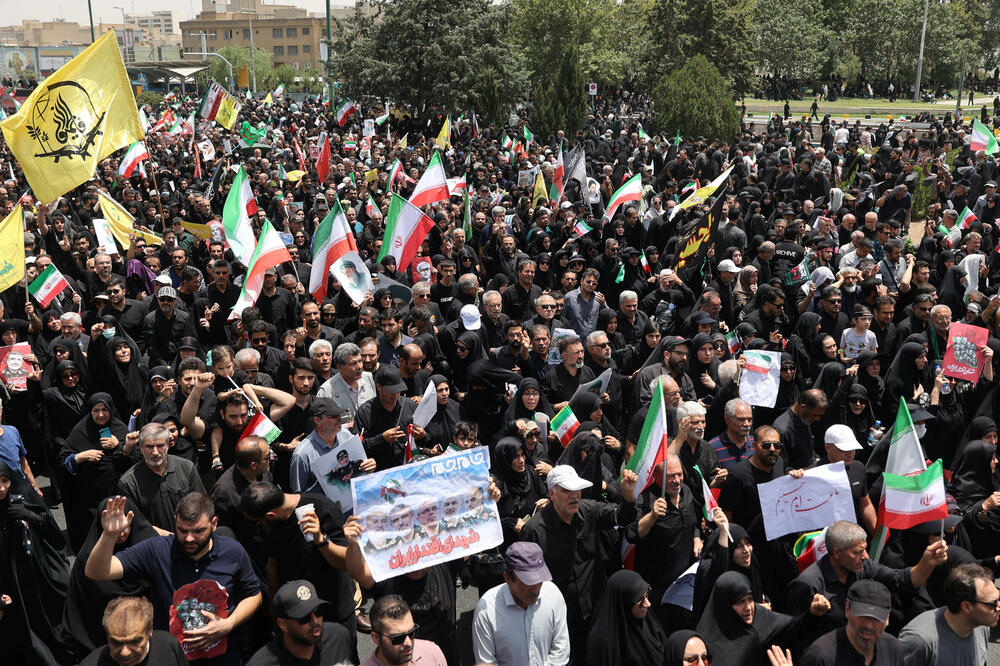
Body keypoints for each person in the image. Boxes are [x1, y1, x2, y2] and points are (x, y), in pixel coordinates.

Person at [84, 494, 263, 665]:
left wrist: (228, 624)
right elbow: (96, 572)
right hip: (172, 657)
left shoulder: (233, 552)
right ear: (175, 520)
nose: (189, 538)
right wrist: (109, 535)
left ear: (214, 523)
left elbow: (253, 595)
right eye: (182, 530)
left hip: (224, 656)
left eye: (198, 531)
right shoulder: (156, 550)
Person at [520, 465, 638, 657]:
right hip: (559, 617)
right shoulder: (534, 530)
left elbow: (621, 517)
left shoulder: (589, 510)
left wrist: (628, 496)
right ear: (551, 493)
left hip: (595, 609)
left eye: (577, 490)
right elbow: (525, 579)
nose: (574, 496)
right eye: (566, 490)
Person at [696, 570, 830, 666]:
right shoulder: (704, 643)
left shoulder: (759, 616)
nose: (748, 607)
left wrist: (812, 614)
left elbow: (792, 629)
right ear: (725, 604)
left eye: (750, 599)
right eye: (740, 601)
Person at [472, 541, 570, 666]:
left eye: (540, 579)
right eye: (528, 582)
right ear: (508, 578)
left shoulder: (553, 594)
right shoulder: (486, 610)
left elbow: (561, 650)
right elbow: (486, 662)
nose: (536, 590)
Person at [897, 563, 998, 665]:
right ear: (966, 607)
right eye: (993, 604)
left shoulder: (981, 626)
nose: (998, 607)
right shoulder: (919, 641)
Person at [116, 422, 206, 535]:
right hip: (151, 546)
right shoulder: (129, 483)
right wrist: (171, 538)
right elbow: (136, 524)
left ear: (168, 444)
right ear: (141, 446)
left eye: (160, 446)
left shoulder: (186, 468)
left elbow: (201, 507)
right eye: (149, 446)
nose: (155, 452)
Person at [800, 580, 909, 666]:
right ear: (847, 609)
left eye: (876, 618)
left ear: (887, 618)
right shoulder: (819, 657)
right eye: (862, 616)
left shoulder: (894, 650)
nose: (868, 625)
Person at [246, 579, 353, 666]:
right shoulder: (261, 663)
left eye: (318, 612)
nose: (315, 621)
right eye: (305, 618)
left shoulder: (338, 637)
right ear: (283, 624)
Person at [583, 569, 666, 666]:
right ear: (624, 604)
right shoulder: (601, 646)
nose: (648, 604)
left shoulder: (648, 623)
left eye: (647, 596)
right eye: (639, 600)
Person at [80, 596, 187, 666]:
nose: (125, 652)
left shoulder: (168, 646)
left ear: (150, 630)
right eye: (116, 643)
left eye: (134, 642)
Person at [362, 595, 447, 666]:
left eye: (412, 633)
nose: (408, 643)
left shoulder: (432, 653)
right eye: (398, 638)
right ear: (376, 638)